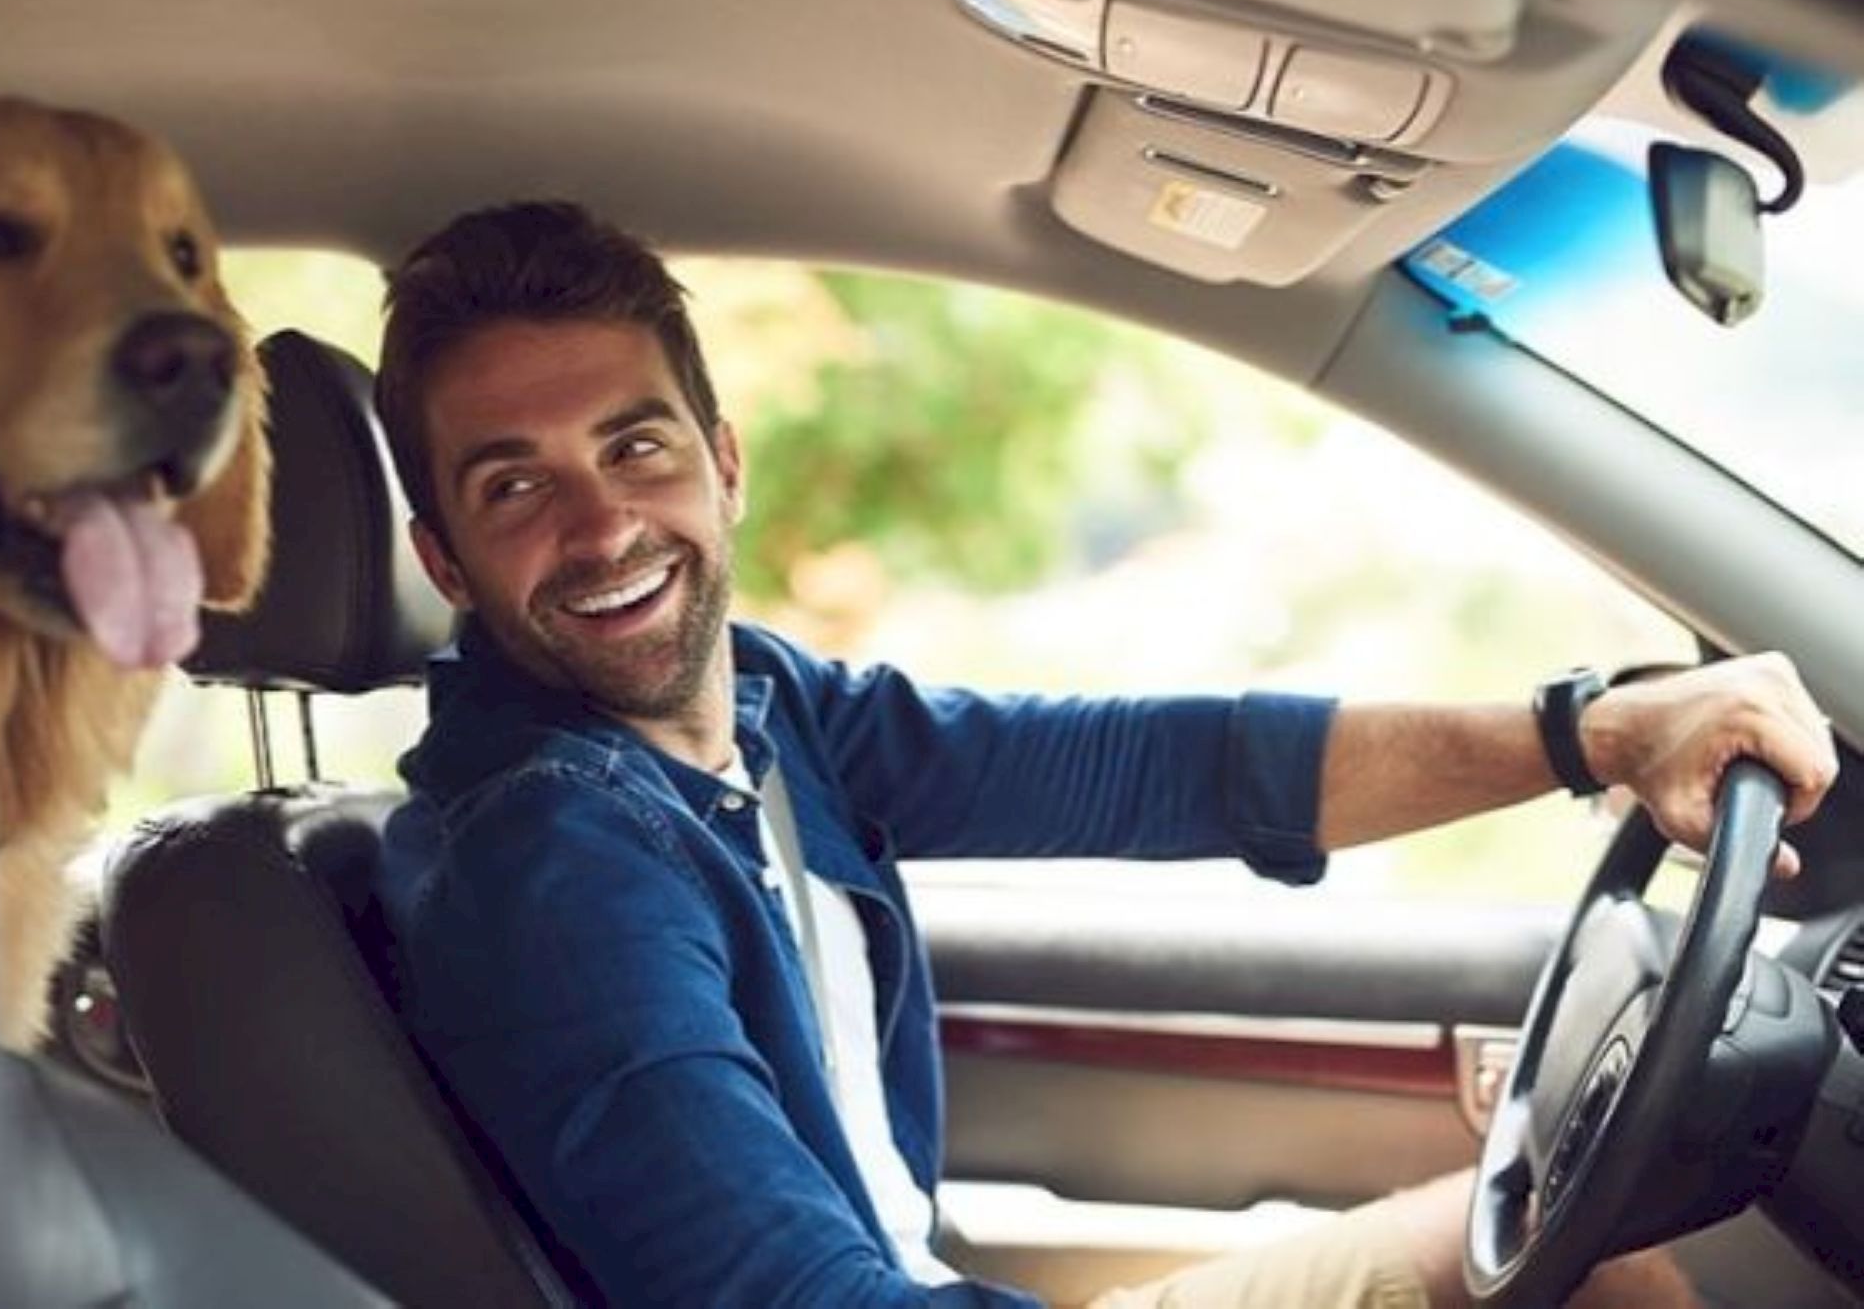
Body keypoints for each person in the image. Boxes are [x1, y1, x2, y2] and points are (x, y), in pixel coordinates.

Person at [372, 200, 1838, 1309]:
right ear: (443, 557)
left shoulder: (761, 711)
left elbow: (1163, 768)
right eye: (517, 486)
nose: (605, 527)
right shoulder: (548, 861)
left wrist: (1588, 730)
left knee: (1588, 1265)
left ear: (724, 459)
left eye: (637, 449)